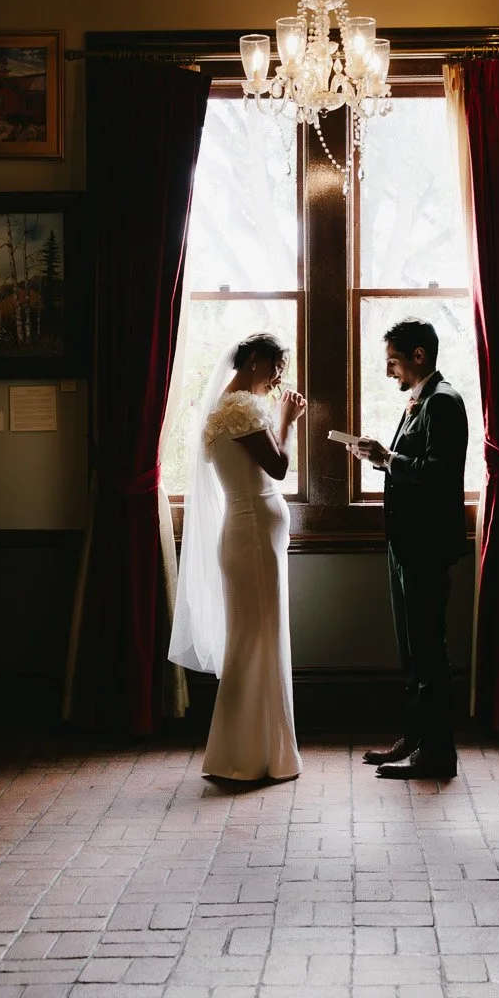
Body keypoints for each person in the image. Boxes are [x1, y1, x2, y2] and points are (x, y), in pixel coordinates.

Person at [167, 332, 306, 784]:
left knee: (255, 639)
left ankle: (250, 751)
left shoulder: (222, 410)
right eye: (275, 367)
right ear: (254, 362)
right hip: (252, 536)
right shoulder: (241, 408)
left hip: (247, 533)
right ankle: (247, 755)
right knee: (256, 639)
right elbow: (280, 467)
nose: (278, 377)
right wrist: (287, 419)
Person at [351, 319, 467, 780]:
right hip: (406, 544)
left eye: (393, 362)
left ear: (419, 356)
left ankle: (438, 752)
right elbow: (414, 469)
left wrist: (388, 459)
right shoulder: (419, 401)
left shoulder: (444, 402)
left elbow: (439, 473)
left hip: (426, 546)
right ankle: (417, 736)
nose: (389, 373)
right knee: (412, 649)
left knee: (428, 649)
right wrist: (386, 460)